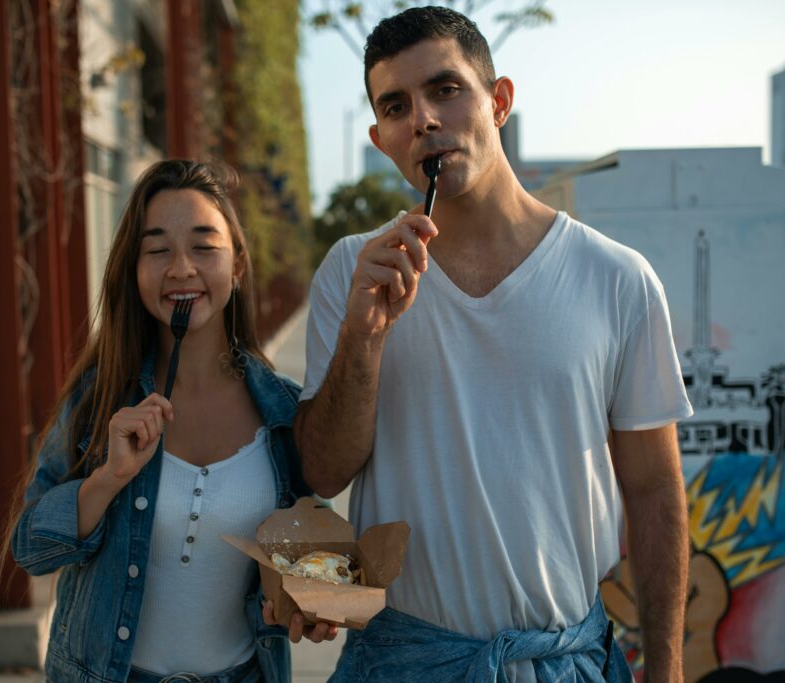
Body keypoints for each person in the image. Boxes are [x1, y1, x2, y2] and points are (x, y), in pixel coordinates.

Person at [292, 7, 693, 682]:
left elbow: (655, 489)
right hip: (403, 662)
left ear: (499, 100)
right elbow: (324, 473)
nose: (422, 118)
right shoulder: (352, 271)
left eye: (445, 89)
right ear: (382, 137)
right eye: (397, 106)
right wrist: (365, 336)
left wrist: (668, 667)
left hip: (564, 661)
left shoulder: (617, 278)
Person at [6, 159, 335, 683]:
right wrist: (107, 479)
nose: (181, 268)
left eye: (204, 246)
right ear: (134, 271)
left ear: (238, 265)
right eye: (157, 250)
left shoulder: (284, 415)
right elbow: (31, 548)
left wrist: (305, 600)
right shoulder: (98, 400)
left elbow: (303, 557)